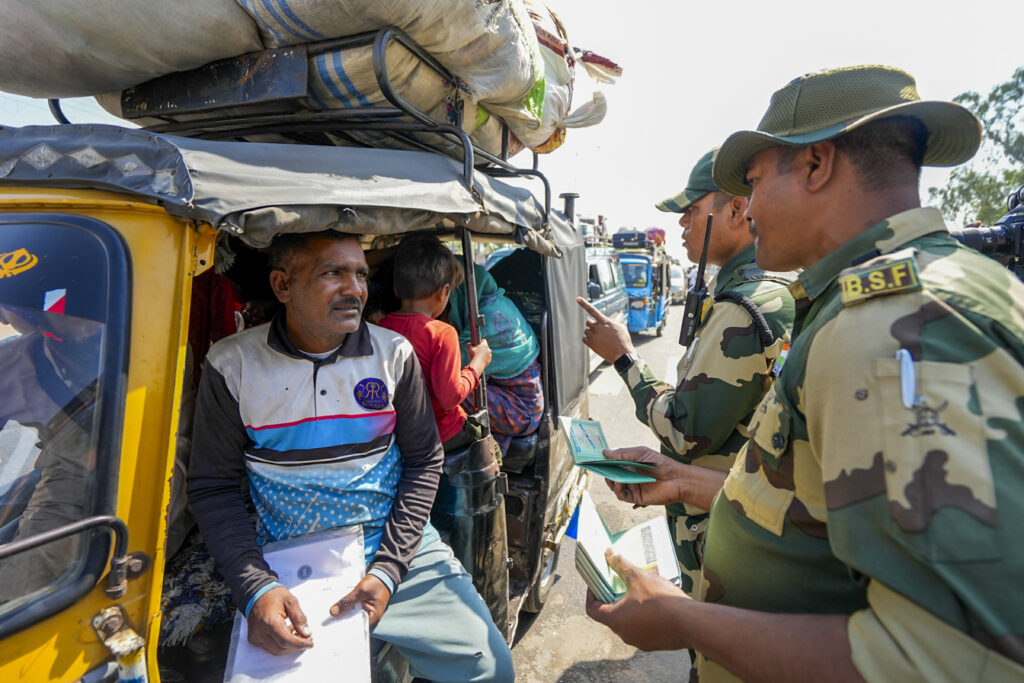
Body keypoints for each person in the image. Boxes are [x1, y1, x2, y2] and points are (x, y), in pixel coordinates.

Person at [586, 65, 1024, 683]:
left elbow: (954, 657)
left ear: (817, 164)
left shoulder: (895, 325)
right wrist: (685, 481)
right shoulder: (885, 298)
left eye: (756, 181)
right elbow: (821, 500)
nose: (751, 207)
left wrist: (684, 621)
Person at [186, 230, 513, 682]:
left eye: (360, 274)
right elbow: (213, 486)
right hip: (287, 557)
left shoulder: (393, 354)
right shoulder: (232, 364)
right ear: (282, 285)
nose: (355, 288)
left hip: (395, 547)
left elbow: (424, 461)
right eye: (333, 273)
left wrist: (389, 569)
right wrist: (256, 586)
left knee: (491, 669)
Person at [576, 147, 796, 592]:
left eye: (692, 210)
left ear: (736, 209)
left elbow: (684, 431)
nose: (681, 223)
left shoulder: (743, 308)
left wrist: (623, 357)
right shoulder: (765, 290)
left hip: (719, 536)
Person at [377, 233, 493, 451]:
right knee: (490, 446)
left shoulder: (382, 327)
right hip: (442, 434)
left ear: (396, 289)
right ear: (444, 292)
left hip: (400, 433)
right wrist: (478, 363)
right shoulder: (442, 333)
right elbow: (450, 398)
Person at [448, 261, 544, 454]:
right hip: (519, 403)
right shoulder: (499, 303)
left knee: (449, 390)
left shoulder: (488, 319)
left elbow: (453, 366)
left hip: (521, 413)